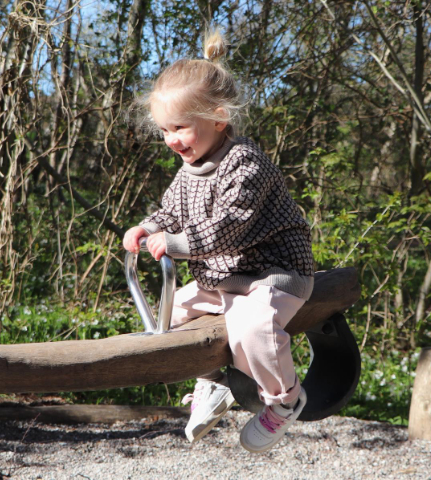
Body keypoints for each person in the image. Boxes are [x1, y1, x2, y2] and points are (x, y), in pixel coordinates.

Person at [122, 28, 315, 453]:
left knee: (252, 328)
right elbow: (171, 212)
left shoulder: (245, 164)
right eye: (164, 130)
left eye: (180, 128)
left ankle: (284, 399)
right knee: (171, 318)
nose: (172, 140)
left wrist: (174, 244)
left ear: (218, 117)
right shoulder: (189, 169)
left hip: (273, 273)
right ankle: (212, 382)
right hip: (223, 277)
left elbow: (231, 227)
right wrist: (149, 228)